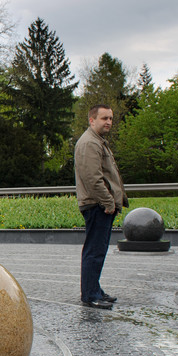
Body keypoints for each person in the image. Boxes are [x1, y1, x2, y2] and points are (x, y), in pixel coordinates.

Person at [74, 104, 128, 309]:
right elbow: (92, 178)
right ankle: (90, 294)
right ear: (92, 120)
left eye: (111, 119)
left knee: (97, 250)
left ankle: (94, 289)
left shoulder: (97, 141)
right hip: (97, 204)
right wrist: (108, 202)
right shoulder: (90, 143)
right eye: (104, 118)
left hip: (100, 204)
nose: (108, 122)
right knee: (94, 251)